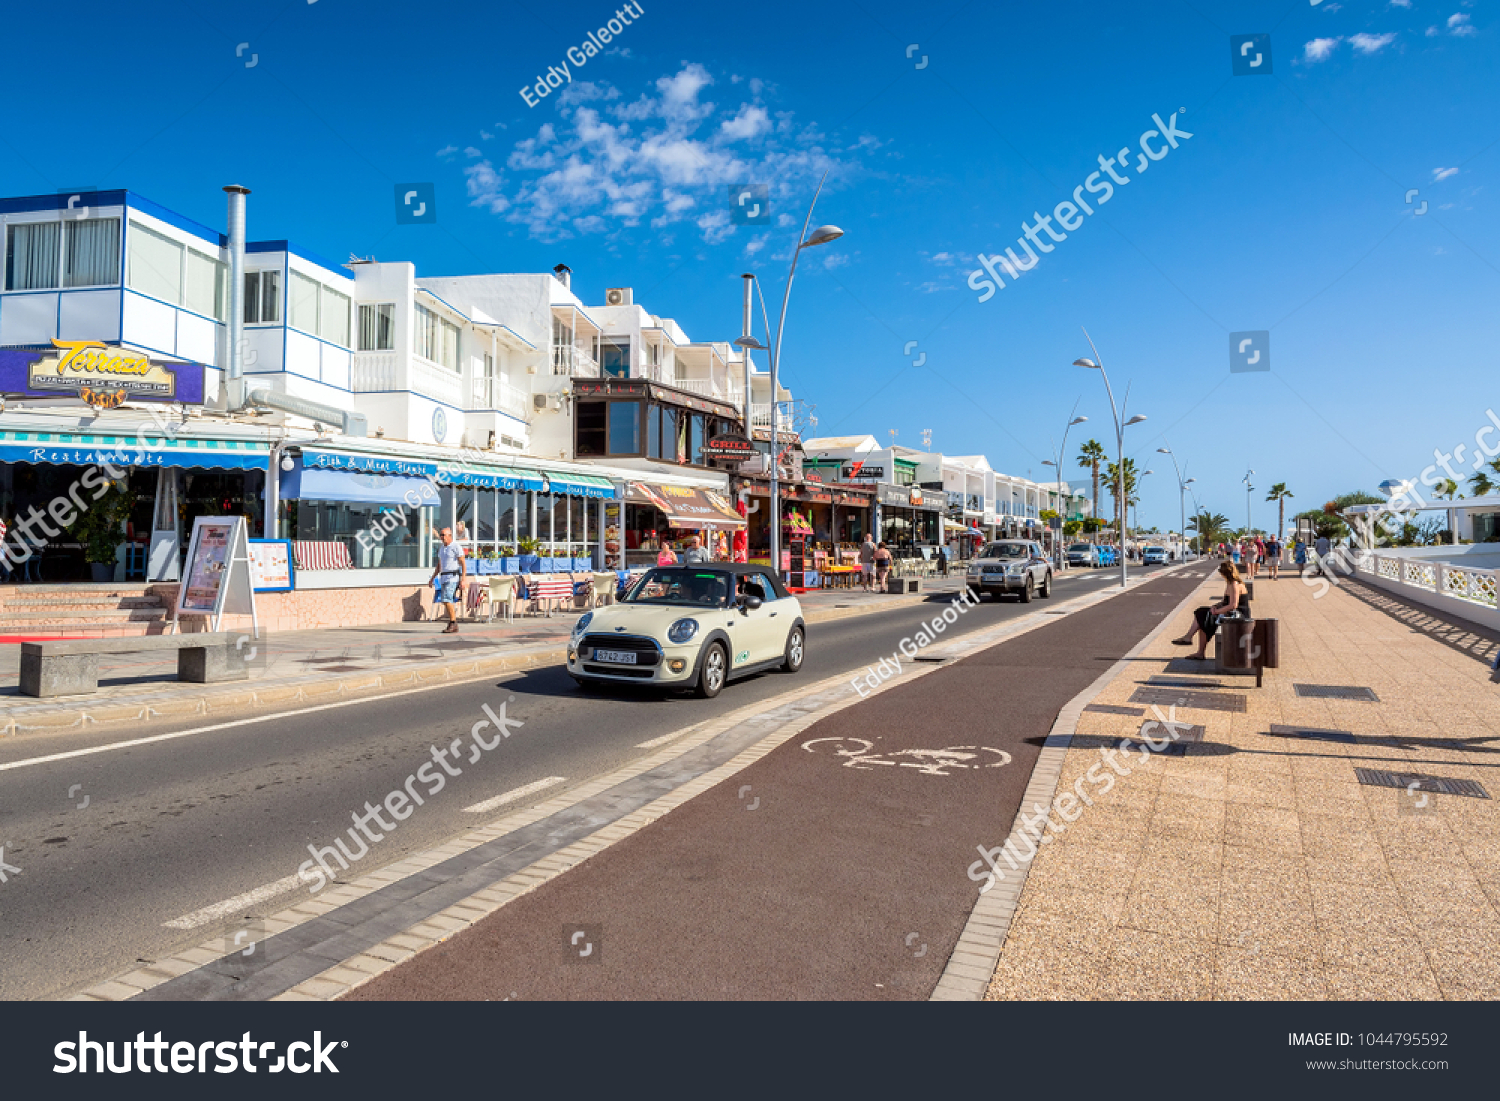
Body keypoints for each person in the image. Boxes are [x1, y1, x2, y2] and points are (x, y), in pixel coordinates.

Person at [1173, 561, 1250, 660]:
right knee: (1202, 617)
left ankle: (1190, 639)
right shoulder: (1230, 583)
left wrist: (1217, 612)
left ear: (1223, 573)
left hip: (1239, 616)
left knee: (1202, 615)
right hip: (1230, 613)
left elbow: (1233, 605)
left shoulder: (1235, 584)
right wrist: (1215, 606)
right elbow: (1225, 602)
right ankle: (1196, 648)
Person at [428, 526, 467, 634]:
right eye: (440, 535)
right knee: (445, 601)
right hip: (444, 577)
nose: (441, 537)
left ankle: (453, 622)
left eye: (443, 535)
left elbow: (463, 563)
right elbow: (439, 565)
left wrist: (463, 579)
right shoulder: (442, 549)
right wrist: (432, 578)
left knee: (446, 599)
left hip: (453, 577)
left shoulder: (455, 547)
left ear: (450, 536)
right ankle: (453, 622)